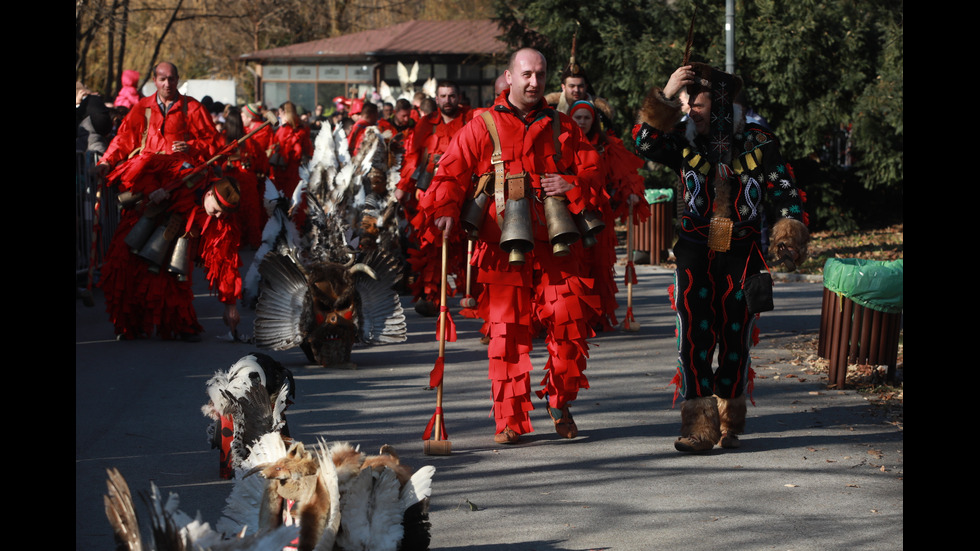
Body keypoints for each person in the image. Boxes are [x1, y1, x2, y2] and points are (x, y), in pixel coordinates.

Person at [425, 48, 602, 445]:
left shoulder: (564, 126)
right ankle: (509, 420)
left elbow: (594, 171)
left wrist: (572, 184)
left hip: (558, 243)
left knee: (571, 323)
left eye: (540, 74)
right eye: (526, 74)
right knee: (507, 334)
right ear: (510, 76)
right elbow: (450, 172)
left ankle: (559, 400)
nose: (533, 82)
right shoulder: (481, 124)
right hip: (501, 245)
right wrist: (446, 208)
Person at [633, 63, 810, 453]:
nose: (688, 108)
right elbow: (643, 144)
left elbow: (784, 189)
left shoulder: (758, 140)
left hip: (742, 252)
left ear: (722, 104)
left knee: (735, 336)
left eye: (695, 102)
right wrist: (665, 94)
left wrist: (789, 233)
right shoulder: (681, 137)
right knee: (693, 335)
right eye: (685, 102)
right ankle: (699, 426)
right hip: (694, 250)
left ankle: (730, 419)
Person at [568, 100, 649, 332]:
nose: (582, 122)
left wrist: (632, 194)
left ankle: (598, 317)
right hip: (570, 214)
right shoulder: (562, 144)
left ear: (594, 121)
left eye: (586, 118)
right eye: (578, 118)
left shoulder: (607, 146)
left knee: (600, 265)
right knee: (575, 266)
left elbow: (627, 174)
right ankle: (575, 317)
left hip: (600, 216)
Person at [397, 80, 474, 316]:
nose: (448, 100)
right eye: (443, 96)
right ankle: (431, 297)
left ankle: (475, 296)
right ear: (437, 98)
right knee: (430, 244)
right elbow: (413, 157)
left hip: (465, 190)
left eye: (452, 96)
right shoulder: (426, 123)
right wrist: (403, 185)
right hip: (431, 193)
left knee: (468, 244)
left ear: (458, 97)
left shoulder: (471, 119)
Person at [96, 62, 218, 179]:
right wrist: (106, 161)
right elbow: (124, 139)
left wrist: (191, 147)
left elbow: (213, 142)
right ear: (154, 80)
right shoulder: (142, 107)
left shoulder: (194, 108)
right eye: (162, 79)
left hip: (181, 176)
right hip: (148, 174)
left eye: (171, 79)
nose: (167, 84)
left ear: (177, 79)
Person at [268, 101, 311, 198]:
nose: (278, 115)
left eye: (279, 113)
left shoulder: (284, 130)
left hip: (284, 170)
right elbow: (308, 149)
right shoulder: (302, 129)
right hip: (296, 169)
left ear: (284, 112)